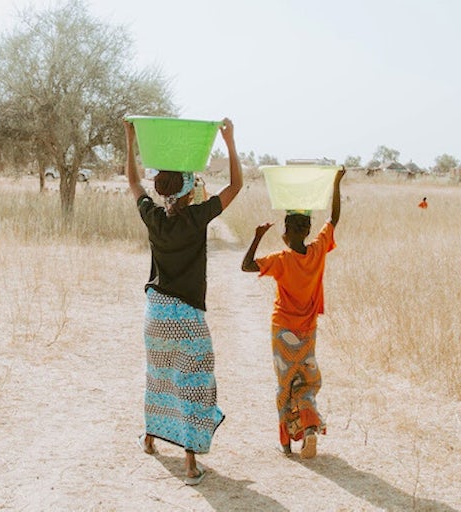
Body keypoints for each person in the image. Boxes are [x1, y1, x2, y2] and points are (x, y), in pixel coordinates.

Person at [123, 117, 242, 485]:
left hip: (155, 313)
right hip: (187, 315)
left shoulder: (153, 216)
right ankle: (190, 463)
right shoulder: (197, 217)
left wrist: (131, 139)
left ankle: (149, 438)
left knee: (159, 376)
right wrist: (230, 140)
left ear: (162, 190)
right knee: (193, 382)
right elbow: (236, 184)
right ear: (191, 191)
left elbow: (132, 181)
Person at [241, 167, 345, 459]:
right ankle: (309, 428)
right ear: (307, 230)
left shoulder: (282, 260)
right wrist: (336, 182)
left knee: (284, 384)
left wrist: (258, 236)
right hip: (307, 331)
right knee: (307, 382)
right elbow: (333, 218)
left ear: (286, 232)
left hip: (282, 331)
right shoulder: (318, 251)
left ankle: (286, 443)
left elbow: (247, 266)